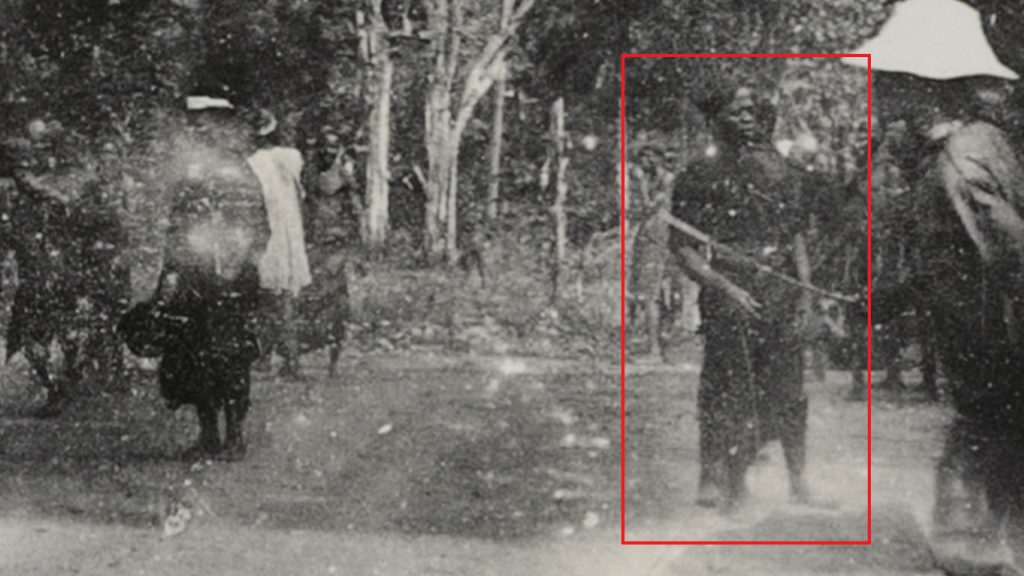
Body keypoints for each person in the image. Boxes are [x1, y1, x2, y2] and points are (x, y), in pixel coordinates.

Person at [845, 0, 1024, 569]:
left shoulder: (959, 161)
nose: (878, 93)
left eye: (890, 81)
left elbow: (1009, 256)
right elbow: (953, 262)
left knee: (977, 472)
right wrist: (889, 300)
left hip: (995, 356)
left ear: (926, 84)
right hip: (986, 357)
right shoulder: (976, 143)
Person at [669, 81, 818, 511]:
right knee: (728, 387)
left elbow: (796, 238)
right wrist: (726, 287)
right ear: (716, 120)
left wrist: (806, 297)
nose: (747, 117)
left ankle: (799, 480)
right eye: (736, 111)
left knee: (791, 388)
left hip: (782, 287)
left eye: (752, 109)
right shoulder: (698, 175)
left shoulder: (780, 170)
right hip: (728, 286)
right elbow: (683, 248)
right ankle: (721, 480)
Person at [120, 91, 269, 460]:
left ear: (220, 125)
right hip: (193, 274)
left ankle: (234, 435)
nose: (198, 130)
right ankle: (208, 435)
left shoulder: (237, 169)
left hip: (231, 276)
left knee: (231, 355)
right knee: (190, 352)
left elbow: (256, 225)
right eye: (194, 124)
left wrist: (235, 258)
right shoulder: (189, 171)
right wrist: (171, 271)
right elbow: (175, 225)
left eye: (205, 123)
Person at [1, 119, 83, 417]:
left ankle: (61, 385)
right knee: (54, 332)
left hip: (43, 275)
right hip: (48, 272)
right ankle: (63, 382)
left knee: (40, 335)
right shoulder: (47, 190)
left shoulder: (36, 191)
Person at [247, 109, 312, 380]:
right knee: (286, 300)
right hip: (291, 236)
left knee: (268, 300)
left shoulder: (252, 162)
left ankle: (272, 358)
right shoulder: (292, 157)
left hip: (269, 234)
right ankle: (285, 360)